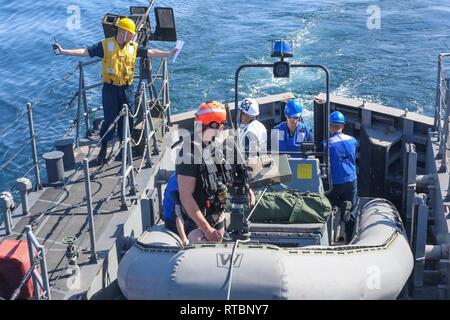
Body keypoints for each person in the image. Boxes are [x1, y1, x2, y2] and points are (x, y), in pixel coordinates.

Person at [53, 17, 178, 165]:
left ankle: (124, 149)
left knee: (128, 120)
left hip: (127, 89)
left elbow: (149, 52)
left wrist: (168, 54)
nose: (128, 36)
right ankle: (103, 149)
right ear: (120, 31)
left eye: (130, 34)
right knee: (109, 119)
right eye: (126, 33)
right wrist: (63, 51)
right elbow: (85, 52)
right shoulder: (105, 45)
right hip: (110, 89)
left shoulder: (133, 47)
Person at [176, 101, 256, 243]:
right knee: (199, 241)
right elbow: (186, 197)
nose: (223, 127)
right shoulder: (189, 154)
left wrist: (247, 188)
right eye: (221, 124)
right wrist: (206, 229)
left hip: (217, 213)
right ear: (212, 125)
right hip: (196, 220)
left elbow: (236, 173)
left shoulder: (219, 147)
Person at [323, 111, 357, 238]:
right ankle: (349, 238)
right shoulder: (353, 140)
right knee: (352, 210)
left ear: (330, 126)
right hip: (352, 179)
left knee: (328, 201)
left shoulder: (327, 144)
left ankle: (328, 233)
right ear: (343, 126)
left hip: (335, 182)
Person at [163, 173, 189, 246]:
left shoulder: (176, 174)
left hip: (170, 216)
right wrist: (184, 239)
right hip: (173, 222)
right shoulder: (182, 184)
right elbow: (178, 216)